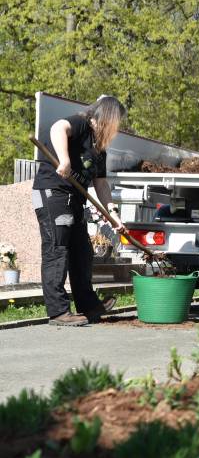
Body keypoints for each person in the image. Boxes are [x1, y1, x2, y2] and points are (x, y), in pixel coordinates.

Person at [32, 96, 128, 326]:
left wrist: (113, 216)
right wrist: (64, 160)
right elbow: (58, 128)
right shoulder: (81, 123)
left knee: (82, 251)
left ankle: (88, 305)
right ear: (109, 117)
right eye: (118, 122)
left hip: (75, 199)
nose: (118, 127)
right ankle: (58, 312)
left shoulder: (99, 146)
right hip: (53, 193)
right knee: (58, 250)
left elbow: (101, 184)